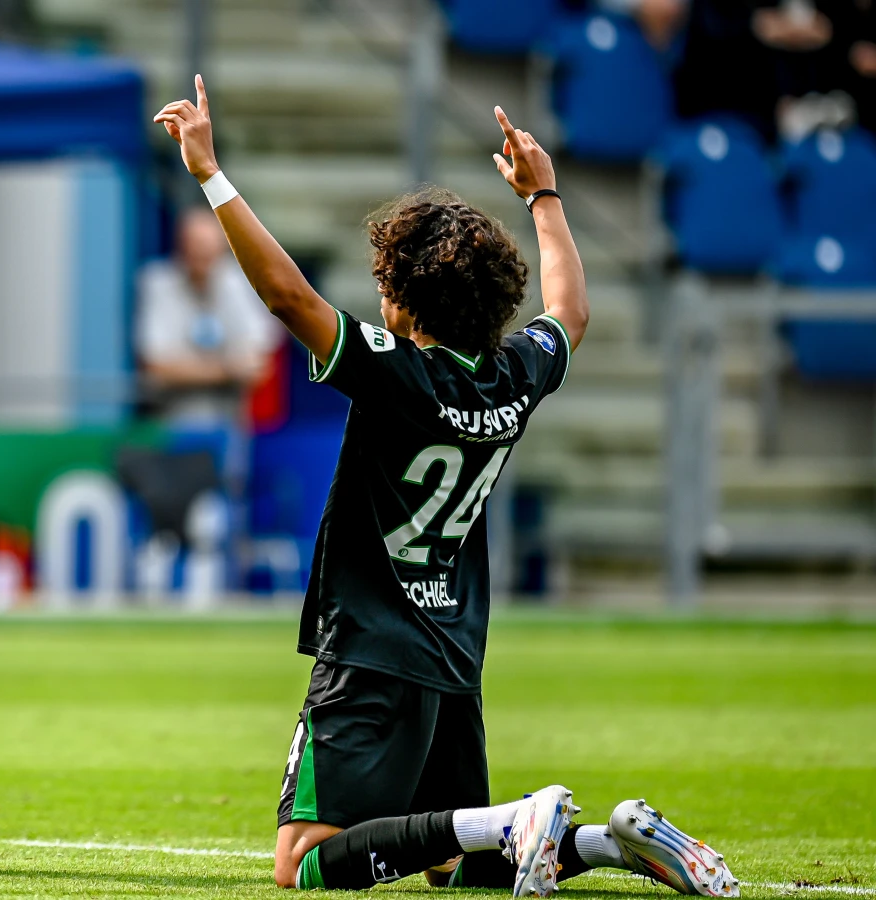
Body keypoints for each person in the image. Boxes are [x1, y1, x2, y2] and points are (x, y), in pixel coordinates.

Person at [152, 81, 738, 897]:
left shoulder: (396, 373)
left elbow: (288, 296)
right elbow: (570, 310)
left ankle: (511, 818)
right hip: (455, 649)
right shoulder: (516, 374)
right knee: (456, 867)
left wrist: (210, 173)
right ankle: (612, 842)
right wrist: (544, 196)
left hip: (370, 646)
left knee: (305, 863)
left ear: (402, 301)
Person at [135, 207, 280, 425]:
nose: (203, 259)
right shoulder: (157, 282)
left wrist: (189, 368)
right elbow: (156, 367)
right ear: (181, 248)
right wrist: (228, 370)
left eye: (209, 253)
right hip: (169, 423)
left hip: (230, 424)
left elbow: (259, 365)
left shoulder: (240, 282)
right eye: (195, 250)